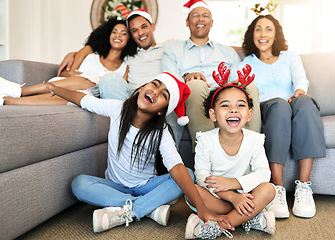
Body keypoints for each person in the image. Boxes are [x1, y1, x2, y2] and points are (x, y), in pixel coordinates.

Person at [44, 72, 234, 233]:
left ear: (162, 111)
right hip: (115, 186)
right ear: (142, 87)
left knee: (188, 174)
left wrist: (201, 208)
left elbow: (176, 167)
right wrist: (54, 88)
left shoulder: (161, 131)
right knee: (79, 184)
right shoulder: (118, 109)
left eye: (163, 95)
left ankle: (131, 211)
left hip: (146, 185)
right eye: (154, 85)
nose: (155, 92)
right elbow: (83, 100)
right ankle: (150, 208)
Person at [231, 15, 326, 219]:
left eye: (268, 29)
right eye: (258, 29)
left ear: (276, 35)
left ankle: (304, 187)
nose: (263, 34)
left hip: (295, 104)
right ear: (252, 34)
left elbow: (300, 79)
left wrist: (299, 91)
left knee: (307, 102)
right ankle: (277, 189)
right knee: (280, 106)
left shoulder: (290, 56)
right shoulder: (246, 63)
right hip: (271, 109)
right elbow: (234, 90)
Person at [58, 9, 185, 148]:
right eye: (134, 30)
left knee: (173, 94)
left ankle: (170, 157)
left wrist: (191, 74)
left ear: (152, 26)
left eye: (144, 27)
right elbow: (104, 49)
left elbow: (190, 55)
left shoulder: (169, 47)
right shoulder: (129, 54)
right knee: (109, 79)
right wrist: (75, 53)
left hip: (160, 96)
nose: (141, 33)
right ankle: (126, 141)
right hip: (131, 98)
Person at [184, 64, 276, 239]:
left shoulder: (254, 140)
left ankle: (217, 226)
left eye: (240, 105)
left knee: (269, 189)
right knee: (192, 191)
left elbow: (263, 174)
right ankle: (248, 218)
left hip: (247, 195)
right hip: (220, 198)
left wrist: (233, 183)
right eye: (225, 106)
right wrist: (232, 198)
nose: (233, 109)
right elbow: (202, 178)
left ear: (249, 115)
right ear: (213, 115)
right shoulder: (205, 140)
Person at [161, 0, 262, 153]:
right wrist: (187, 76)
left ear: (212, 22)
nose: (201, 19)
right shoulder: (172, 51)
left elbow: (237, 77)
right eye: (195, 15)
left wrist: (235, 84)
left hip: (222, 94)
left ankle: (253, 152)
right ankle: (207, 154)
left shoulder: (227, 51)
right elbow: (168, 79)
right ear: (187, 22)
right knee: (196, 84)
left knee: (250, 86)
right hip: (192, 95)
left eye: (205, 15)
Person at [0, 16, 137, 106]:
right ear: (108, 35)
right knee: (89, 79)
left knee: (76, 97)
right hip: (65, 84)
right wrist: (77, 76)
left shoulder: (125, 68)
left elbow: (116, 92)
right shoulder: (89, 50)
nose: (118, 35)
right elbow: (65, 74)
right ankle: (22, 91)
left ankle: (7, 101)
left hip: (85, 96)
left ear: (129, 39)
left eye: (124, 33)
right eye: (114, 31)